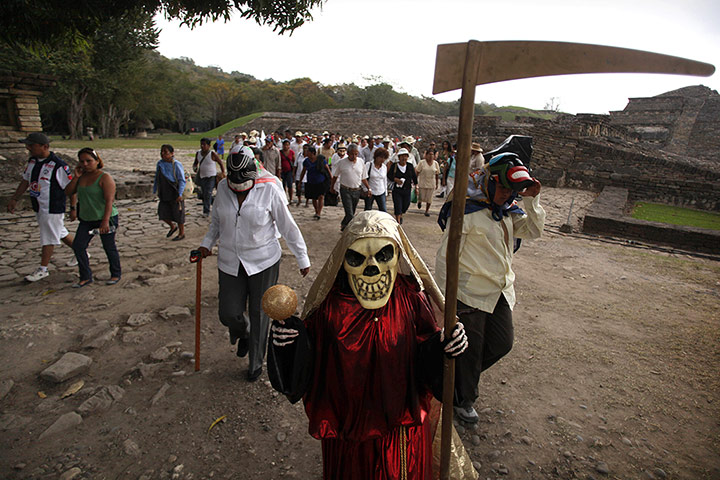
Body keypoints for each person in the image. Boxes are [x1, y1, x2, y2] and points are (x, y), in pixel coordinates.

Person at [267, 210, 470, 480]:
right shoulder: (329, 310)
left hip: (402, 434)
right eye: (357, 258)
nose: (371, 268)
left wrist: (445, 346)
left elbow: (426, 354)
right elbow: (308, 368)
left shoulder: (411, 299)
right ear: (343, 260)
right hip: (350, 439)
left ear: (399, 256)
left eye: (384, 255)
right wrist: (288, 345)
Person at [435, 152, 545, 424]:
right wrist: (442, 298)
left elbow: (533, 230)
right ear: (489, 181)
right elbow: (445, 257)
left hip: (499, 292)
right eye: (503, 187)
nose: (506, 194)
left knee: (501, 343)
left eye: (512, 190)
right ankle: (464, 399)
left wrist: (531, 199)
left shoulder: (508, 211)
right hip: (469, 293)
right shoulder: (466, 211)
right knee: (471, 350)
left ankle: (452, 378)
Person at [198, 146, 310, 381]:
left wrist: (302, 257)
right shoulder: (221, 188)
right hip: (230, 260)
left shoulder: (269, 188)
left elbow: (287, 226)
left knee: (261, 313)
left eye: (243, 184)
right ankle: (244, 332)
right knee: (228, 313)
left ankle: (255, 363)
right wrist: (206, 244)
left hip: (263, 260)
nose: (238, 189)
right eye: (234, 184)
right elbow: (216, 223)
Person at [7, 132, 76, 282]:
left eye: (32, 145)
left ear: (44, 146)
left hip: (52, 207)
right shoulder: (32, 162)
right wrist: (15, 198)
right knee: (59, 232)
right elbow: (25, 181)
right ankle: (80, 251)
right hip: (39, 205)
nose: (28, 148)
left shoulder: (58, 166)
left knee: (48, 237)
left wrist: (73, 207)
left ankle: (43, 269)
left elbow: (71, 188)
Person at [64, 148, 121, 287]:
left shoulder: (104, 178)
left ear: (97, 161)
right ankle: (85, 276)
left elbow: (109, 201)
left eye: (89, 161)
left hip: (105, 217)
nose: (85, 164)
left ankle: (115, 273)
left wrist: (105, 221)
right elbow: (69, 191)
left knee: (108, 246)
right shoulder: (81, 177)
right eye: (82, 161)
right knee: (78, 246)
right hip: (87, 219)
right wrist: (76, 177)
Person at [153, 144, 186, 241]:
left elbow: (181, 180)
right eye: (161, 152)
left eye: (165, 152)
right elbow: (157, 178)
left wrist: (180, 193)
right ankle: (172, 226)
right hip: (164, 191)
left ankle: (181, 233)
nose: (163, 154)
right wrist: (155, 190)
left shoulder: (176, 164)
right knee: (162, 212)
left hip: (174, 191)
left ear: (172, 153)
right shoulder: (160, 164)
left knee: (178, 213)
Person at [330, 143, 365, 231]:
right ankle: (352, 230)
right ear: (348, 153)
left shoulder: (361, 162)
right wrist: (332, 187)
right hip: (345, 190)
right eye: (352, 154)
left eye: (356, 154)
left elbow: (364, 177)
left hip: (356, 190)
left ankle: (344, 224)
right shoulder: (341, 163)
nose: (354, 156)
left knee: (352, 210)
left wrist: (368, 188)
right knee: (349, 213)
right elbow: (335, 176)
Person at [193, 138, 225, 217]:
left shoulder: (212, 154)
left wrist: (223, 172)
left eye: (204, 145)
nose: (202, 146)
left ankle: (206, 211)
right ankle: (213, 203)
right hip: (202, 176)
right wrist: (195, 168)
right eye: (201, 144)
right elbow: (195, 163)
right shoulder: (198, 154)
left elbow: (220, 163)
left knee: (208, 193)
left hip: (211, 177)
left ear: (209, 146)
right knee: (205, 193)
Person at [299, 145, 332, 220]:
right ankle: (316, 210)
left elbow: (327, 168)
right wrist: (300, 181)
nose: (306, 153)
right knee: (313, 198)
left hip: (321, 181)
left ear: (312, 153)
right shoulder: (306, 161)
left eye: (308, 152)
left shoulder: (320, 159)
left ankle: (319, 212)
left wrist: (331, 178)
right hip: (311, 181)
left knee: (321, 197)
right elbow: (303, 171)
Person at [388, 148, 417, 224]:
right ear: (399, 157)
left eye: (405, 156)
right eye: (402, 156)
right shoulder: (394, 166)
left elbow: (414, 177)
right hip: (397, 190)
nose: (404, 158)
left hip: (407, 189)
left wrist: (416, 186)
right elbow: (389, 175)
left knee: (406, 205)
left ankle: (400, 214)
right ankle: (398, 220)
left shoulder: (410, 166)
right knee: (398, 205)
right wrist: (396, 179)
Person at [361, 147, 388, 212]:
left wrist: (386, 192)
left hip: (381, 191)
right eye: (381, 157)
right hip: (370, 191)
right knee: (368, 210)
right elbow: (363, 178)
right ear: (376, 157)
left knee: (383, 210)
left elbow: (384, 180)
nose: (382, 159)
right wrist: (366, 189)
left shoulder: (384, 167)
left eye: (384, 158)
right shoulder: (368, 165)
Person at [415, 149, 440, 217]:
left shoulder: (435, 163)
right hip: (422, 182)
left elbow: (437, 174)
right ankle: (419, 202)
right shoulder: (422, 162)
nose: (431, 156)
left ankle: (427, 210)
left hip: (431, 183)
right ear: (426, 155)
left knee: (429, 198)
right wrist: (415, 181)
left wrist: (437, 183)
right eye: (429, 154)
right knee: (421, 196)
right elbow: (417, 172)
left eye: (432, 154)